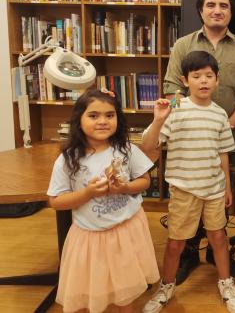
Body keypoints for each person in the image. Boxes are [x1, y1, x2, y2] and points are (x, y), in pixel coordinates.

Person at [163, 0, 235, 282]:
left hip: (231, 139)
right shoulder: (183, 46)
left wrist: (225, 125)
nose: (217, 10)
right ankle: (189, 251)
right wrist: (190, 119)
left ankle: (219, 250)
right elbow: (170, 90)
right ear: (200, 10)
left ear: (230, 12)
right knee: (189, 198)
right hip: (188, 142)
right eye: (211, 4)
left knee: (223, 199)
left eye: (223, 5)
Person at [142, 51, 235, 313]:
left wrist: (227, 188)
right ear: (185, 80)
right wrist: (158, 120)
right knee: (176, 242)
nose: (203, 81)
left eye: (209, 75)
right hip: (184, 188)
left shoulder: (220, 114)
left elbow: (223, 152)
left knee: (218, 237)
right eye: (196, 76)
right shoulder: (175, 110)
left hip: (213, 189)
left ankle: (226, 282)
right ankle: (166, 285)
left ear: (217, 80)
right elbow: (148, 146)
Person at [47, 89, 159, 313]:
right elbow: (56, 201)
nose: (102, 121)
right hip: (91, 237)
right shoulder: (69, 158)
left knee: (126, 290)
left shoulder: (126, 149)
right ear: (79, 119)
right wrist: (88, 193)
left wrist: (125, 187)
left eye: (110, 115)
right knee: (92, 289)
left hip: (127, 230)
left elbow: (144, 181)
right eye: (93, 115)